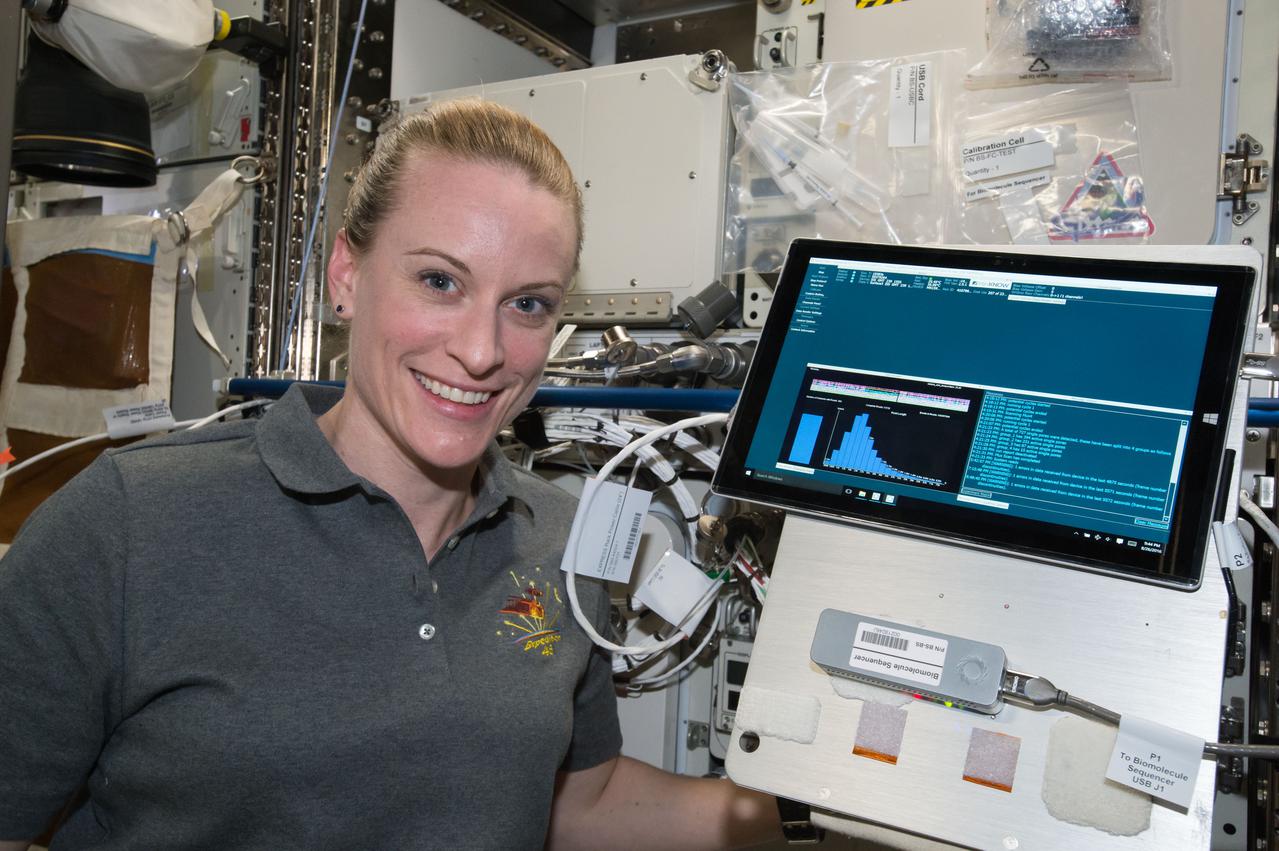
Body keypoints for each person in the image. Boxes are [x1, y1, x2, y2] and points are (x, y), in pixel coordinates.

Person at [0, 100, 782, 849]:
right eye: (440, 281)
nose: (481, 350)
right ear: (346, 273)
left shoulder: (560, 540)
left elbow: (582, 804)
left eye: (529, 304)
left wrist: (821, 802)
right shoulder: (132, 522)